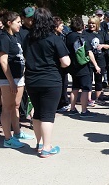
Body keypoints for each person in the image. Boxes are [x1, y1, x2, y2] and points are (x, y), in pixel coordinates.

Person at [23, 8, 70, 157]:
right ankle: (47, 147)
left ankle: (39, 143)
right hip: (51, 80)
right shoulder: (54, 38)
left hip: (32, 80)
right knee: (48, 115)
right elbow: (65, 62)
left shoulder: (28, 38)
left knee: (37, 113)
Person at [0, 10, 34, 149]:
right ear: (9, 23)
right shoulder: (3, 38)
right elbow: (3, 62)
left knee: (15, 106)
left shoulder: (14, 37)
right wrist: (11, 81)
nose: (21, 24)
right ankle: (7, 139)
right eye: (18, 22)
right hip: (8, 79)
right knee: (7, 108)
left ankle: (17, 133)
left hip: (18, 77)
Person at [65, 16, 101, 118]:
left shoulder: (68, 36)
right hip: (83, 66)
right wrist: (96, 65)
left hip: (73, 66)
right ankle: (84, 111)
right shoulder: (82, 37)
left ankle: (72, 108)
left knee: (75, 88)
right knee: (85, 88)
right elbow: (89, 52)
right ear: (82, 25)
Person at [84, 16, 109, 104]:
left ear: (97, 24)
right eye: (90, 23)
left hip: (100, 59)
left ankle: (99, 98)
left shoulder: (102, 33)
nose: (91, 25)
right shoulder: (85, 33)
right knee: (89, 80)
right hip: (89, 59)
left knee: (99, 79)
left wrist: (103, 45)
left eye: (93, 23)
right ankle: (89, 99)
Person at [53, 16, 71, 113]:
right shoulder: (56, 39)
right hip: (58, 67)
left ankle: (62, 102)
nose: (62, 28)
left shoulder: (61, 36)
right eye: (61, 26)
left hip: (60, 67)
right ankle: (61, 103)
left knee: (64, 84)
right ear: (55, 27)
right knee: (62, 85)